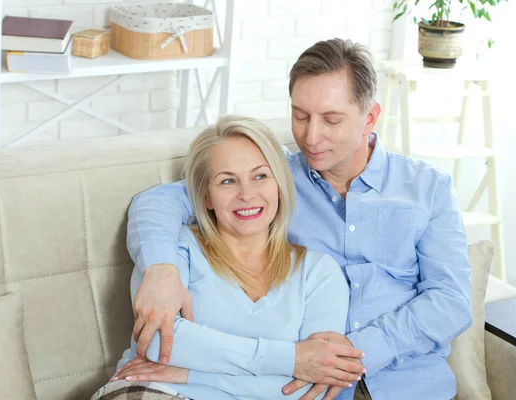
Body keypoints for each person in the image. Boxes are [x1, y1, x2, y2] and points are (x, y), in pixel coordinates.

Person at [122, 39, 472, 400]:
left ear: (369, 117)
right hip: (295, 384)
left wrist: (347, 354)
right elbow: (158, 201)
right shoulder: (271, 181)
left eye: (331, 119)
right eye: (300, 116)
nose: (310, 136)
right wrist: (160, 267)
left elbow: (450, 301)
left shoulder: (428, 188)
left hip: (406, 384)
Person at [111, 116, 361, 400]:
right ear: (206, 197)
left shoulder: (319, 272)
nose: (246, 194)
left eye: (260, 176)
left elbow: (311, 384)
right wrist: (291, 360)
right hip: (159, 392)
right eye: (227, 181)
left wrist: (192, 374)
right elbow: (158, 343)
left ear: (279, 185)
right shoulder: (173, 251)